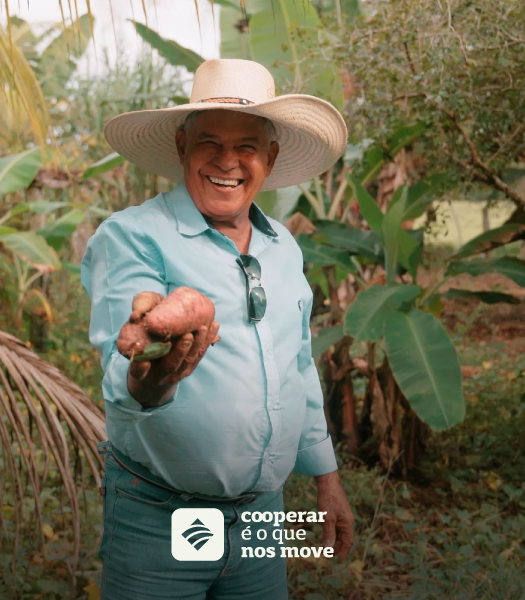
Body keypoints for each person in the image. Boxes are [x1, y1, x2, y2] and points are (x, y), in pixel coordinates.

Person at [81, 58, 354, 600]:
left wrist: (327, 478)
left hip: (259, 518)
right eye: (209, 143)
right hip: (159, 515)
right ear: (182, 148)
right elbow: (124, 369)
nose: (227, 162)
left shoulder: (283, 248)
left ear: (270, 159)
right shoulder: (135, 236)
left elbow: (298, 362)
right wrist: (152, 378)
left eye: (247, 147)